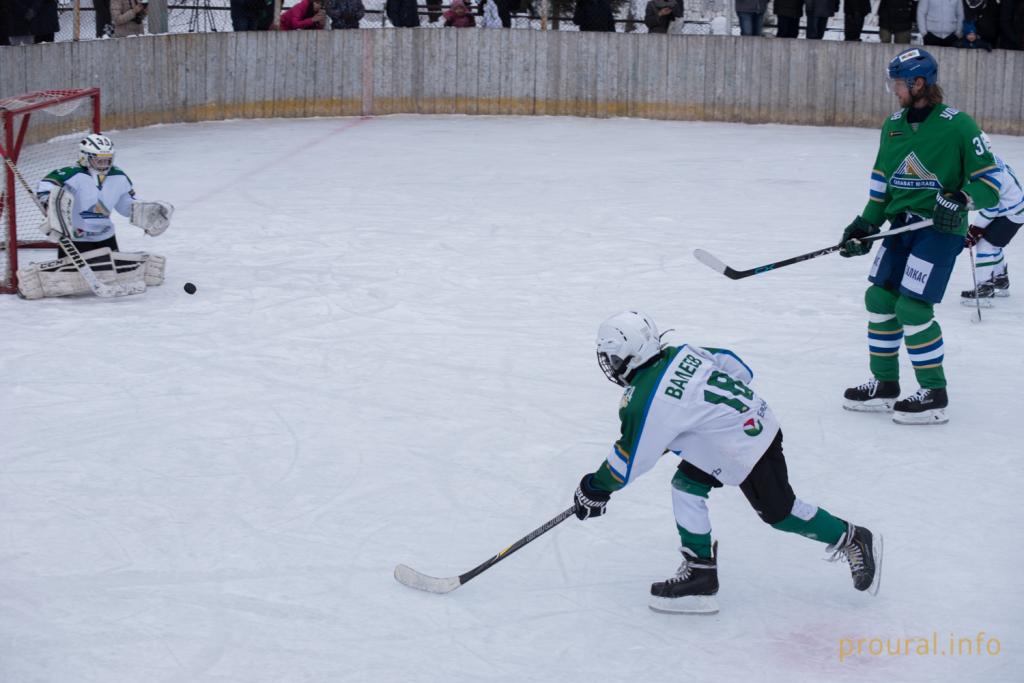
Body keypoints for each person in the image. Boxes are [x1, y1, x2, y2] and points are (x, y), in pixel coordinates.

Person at [570, 311, 881, 614]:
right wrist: (707, 416)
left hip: (747, 447)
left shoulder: (644, 400)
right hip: (748, 425)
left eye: (613, 358)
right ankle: (700, 572)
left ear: (632, 354)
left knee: (781, 513)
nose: (611, 367)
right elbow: (737, 367)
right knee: (686, 486)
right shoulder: (682, 353)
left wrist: (594, 488)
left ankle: (852, 537)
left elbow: (626, 461)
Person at [838, 48, 999, 425]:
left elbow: (992, 186)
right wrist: (865, 224)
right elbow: (882, 184)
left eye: (898, 83)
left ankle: (934, 393)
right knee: (879, 298)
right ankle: (885, 384)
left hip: (939, 231)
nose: (894, 90)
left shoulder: (959, 125)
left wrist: (961, 198)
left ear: (919, 83)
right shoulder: (892, 124)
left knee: (912, 307)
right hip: (902, 227)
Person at [17, 134, 171, 299]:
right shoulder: (71, 174)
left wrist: (145, 211)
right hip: (76, 237)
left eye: (108, 159)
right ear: (84, 157)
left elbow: (126, 205)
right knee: (73, 281)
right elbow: (46, 185)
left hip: (105, 236)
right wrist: (50, 203)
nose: (104, 164)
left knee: (109, 274)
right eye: (99, 160)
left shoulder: (118, 176)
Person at [962, 152, 1023, 301]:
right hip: (1013, 209)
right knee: (993, 244)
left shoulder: (988, 173)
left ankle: (984, 288)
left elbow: (991, 208)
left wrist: (974, 231)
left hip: (1011, 213)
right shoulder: (990, 160)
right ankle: (1000, 280)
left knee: (984, 244)